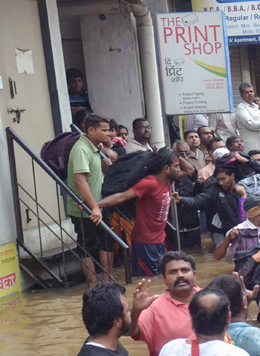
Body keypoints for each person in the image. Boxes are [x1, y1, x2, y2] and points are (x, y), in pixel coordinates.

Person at [98, 147, 176, 276]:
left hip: (159, 240)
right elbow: (121, 196)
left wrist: (169, 153)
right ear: (166, 168)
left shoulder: (166, 181)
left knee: (160, 279)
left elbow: (189, 170)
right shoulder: (149, 183)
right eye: (176, 166)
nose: (179, 169)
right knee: (146, 281)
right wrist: (95, 205)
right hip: (145, 242)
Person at [67, 113, 112, 285]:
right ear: (91, 130)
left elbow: (92, 177)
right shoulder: (81, 149)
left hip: (97, 205)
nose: (108, 134)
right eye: (104, 130)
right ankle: (93, 284)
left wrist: (103, 170)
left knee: (107, 240)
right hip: (84, 208)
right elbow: (79, 180)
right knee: (87, 245)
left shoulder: (94, 147)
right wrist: (93, 207)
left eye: (109, 130)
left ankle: (107, 280)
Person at [130, 251, 200, 356]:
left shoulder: (211, 298)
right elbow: (130, 331)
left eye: (185, 270)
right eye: (173, 272)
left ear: (194, 275)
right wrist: (135, 311)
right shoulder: (154, 307)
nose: (180, 275)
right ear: (164, 279)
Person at [176, 161, 248, 245]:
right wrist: (181, 200)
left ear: (232, 176)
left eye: (223, 179)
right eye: (218, 180)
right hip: (224, 231)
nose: (220, 183)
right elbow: (199, 200)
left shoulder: (245, 187)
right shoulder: (215, 189)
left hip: (245, 230)